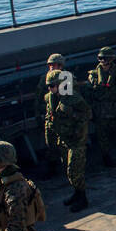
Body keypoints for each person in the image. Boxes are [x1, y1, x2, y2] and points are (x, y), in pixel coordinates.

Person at [44, 70, 91, 211]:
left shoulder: (72, 97)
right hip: (63, 139)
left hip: (76, 139)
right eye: (49, 86)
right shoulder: (50, 98)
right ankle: (77, 193)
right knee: (68, 170)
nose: (50, 89)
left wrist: (74, 120)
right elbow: (49, 117)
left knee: (74, 171)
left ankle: (83, 199)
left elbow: (87, 113)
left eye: (52, 85)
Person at [86, 46, 116, 168]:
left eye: (105, 58)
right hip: (100, 111)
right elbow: (89, 94)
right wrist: (91, 111)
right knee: (102, 137)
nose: (103, 61)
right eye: (101, 58)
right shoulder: (93, 75)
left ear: (111, 59)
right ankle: (107, 159)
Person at [35, 53, 68, 178]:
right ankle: (53, 169)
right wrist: (38, 114)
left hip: (63, 118)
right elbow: (38, 98)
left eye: (54, 65)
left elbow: (68, 100)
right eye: (50, 65)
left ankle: (68, 169)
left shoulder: (66, 78)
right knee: (51, 145)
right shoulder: (45, 78)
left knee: (65, 145)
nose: (52, 67)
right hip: (50, 117)